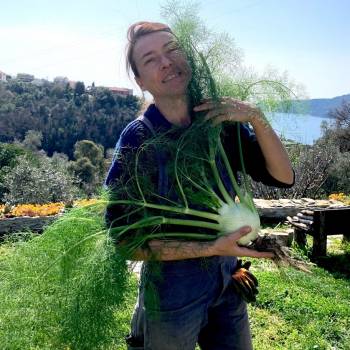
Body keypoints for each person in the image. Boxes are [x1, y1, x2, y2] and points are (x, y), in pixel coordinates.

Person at [105, 21, 294, 350]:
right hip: (171, 287)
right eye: (150, 59)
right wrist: (211, 248)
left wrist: (256, 117)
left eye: (172, 49)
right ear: (141, 81)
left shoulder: (216, 121)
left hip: (229, 276)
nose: (166, 62)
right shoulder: (138, 139)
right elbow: (124, 242)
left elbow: (283, 177)